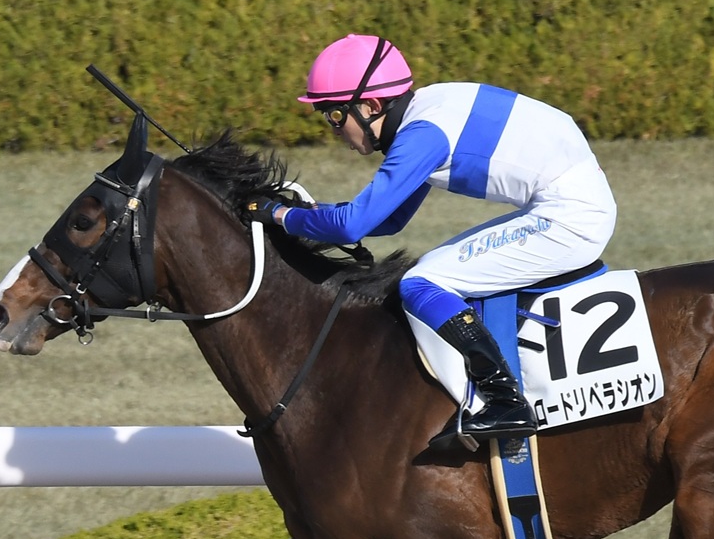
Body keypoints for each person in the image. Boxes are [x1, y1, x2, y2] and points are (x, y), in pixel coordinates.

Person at [252, 34, 618, 450]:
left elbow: (353, 227)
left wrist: (278, 215)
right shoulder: (426, 112)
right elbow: (390, 218)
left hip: (570, 216)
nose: (333, 130)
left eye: (335, 115)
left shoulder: (421, 136)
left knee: (422, 282)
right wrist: (310, 214)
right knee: (430, 272)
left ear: (370, 106)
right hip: (569, 201)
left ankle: (505, 402)